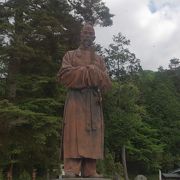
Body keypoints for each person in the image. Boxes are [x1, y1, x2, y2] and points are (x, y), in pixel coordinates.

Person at [57, 23, 111, 178]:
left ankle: (90, 169)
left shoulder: (99, 59)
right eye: (85, 33)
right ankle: (71, 169)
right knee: (74, 132)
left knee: (93, 133)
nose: (87, 36)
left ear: (94, 38)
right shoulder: (70, 55)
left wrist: (96, 73)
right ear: (80, 35)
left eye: (90, 34)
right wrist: (87, 72)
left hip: (93, 101)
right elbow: (64, 75)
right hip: (76, 100)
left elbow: (106, 82)